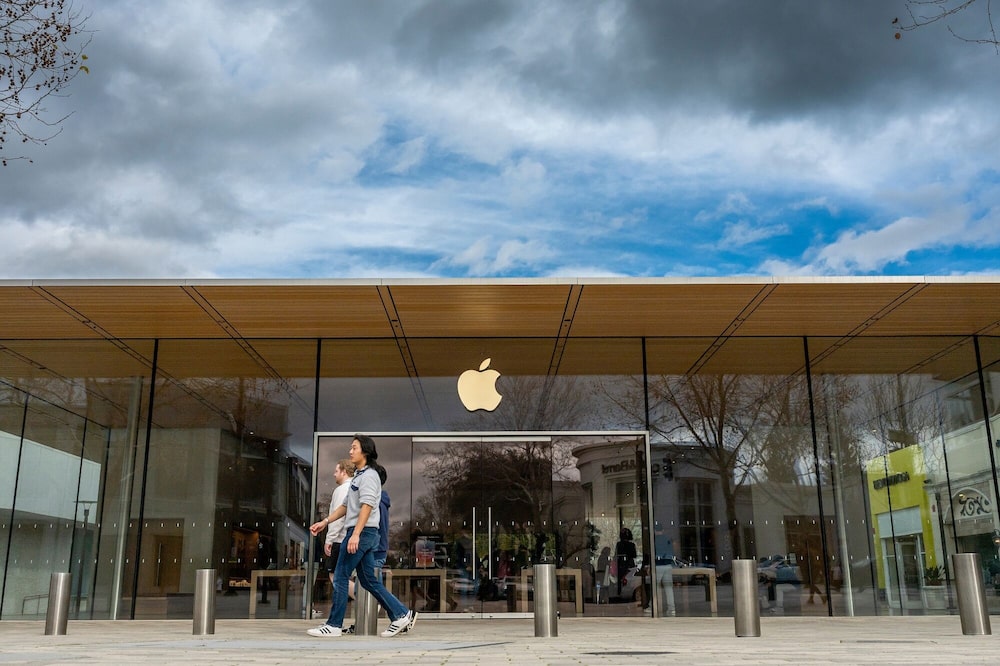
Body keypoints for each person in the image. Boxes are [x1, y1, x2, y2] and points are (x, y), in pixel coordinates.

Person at [307, 435, 416, 638]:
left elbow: (367, 505)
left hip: (361, 532)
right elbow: (346, 506)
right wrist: (325, 522)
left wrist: (355, 534)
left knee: (339, 576)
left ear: (365, 451)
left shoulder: (369, 476)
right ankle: (401, 614)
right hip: (362, 532)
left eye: (354, 447)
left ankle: (333, 625)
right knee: (368, 581)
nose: (350, 451)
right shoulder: (359, 476)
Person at [615, 528, 637, 597]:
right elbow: (634, 555)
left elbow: (616, 554)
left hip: (621, 564)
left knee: (621, 579)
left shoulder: (619, 544)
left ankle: (620, 593)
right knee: (629, 579)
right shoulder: (631, 545)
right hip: (629, 564)